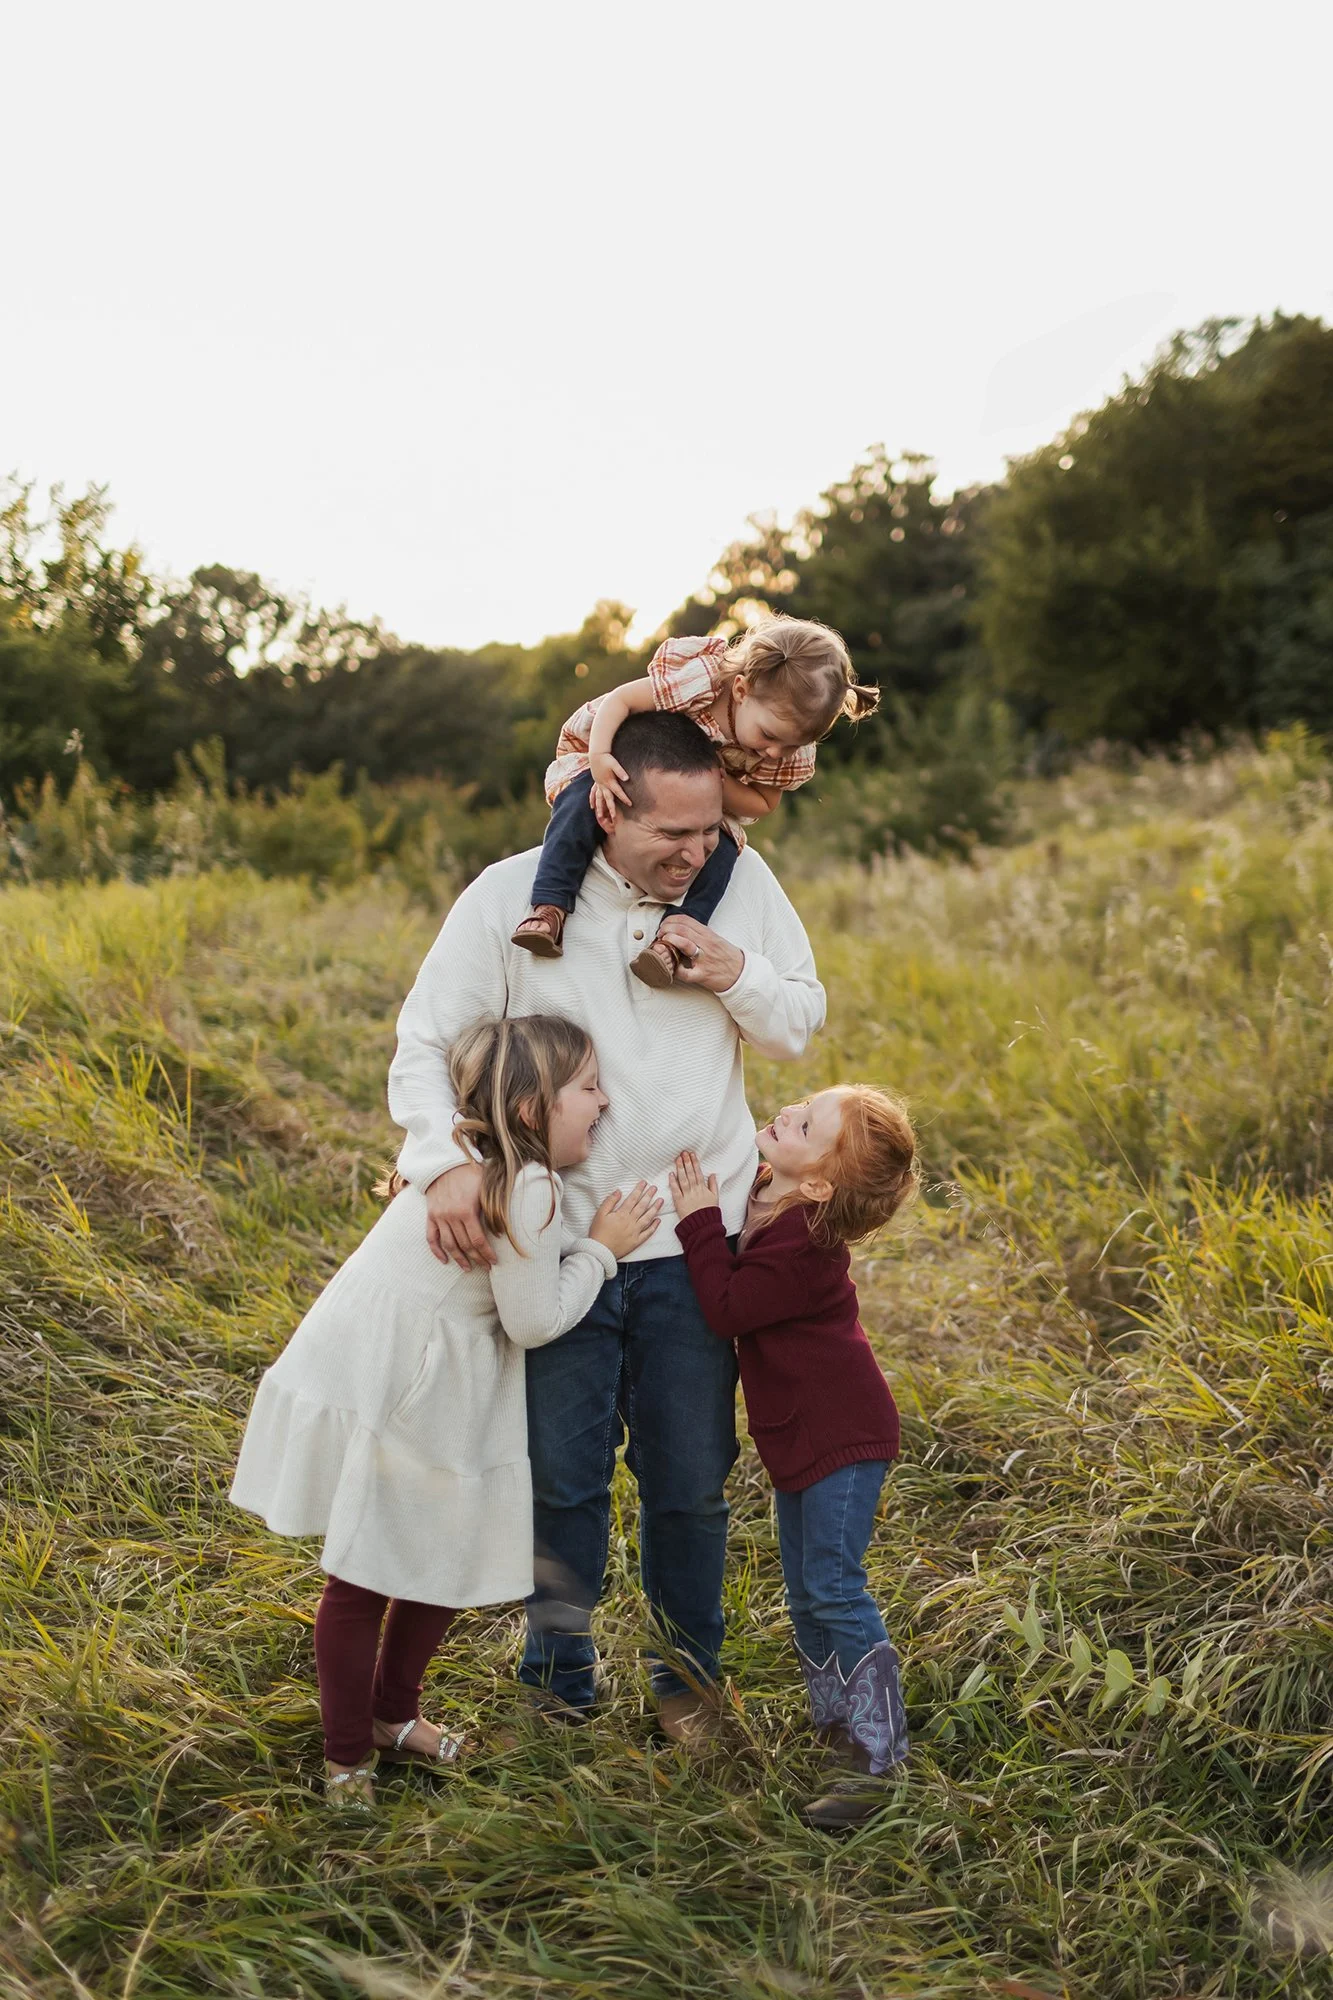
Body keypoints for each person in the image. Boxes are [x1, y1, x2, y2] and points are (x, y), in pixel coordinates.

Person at [388, 708, 825, 1744]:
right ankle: (557, 1682)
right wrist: (444, 1162)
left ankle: (685, 1682)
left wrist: (733, 967)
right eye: (670, 834)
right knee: (564, 1482)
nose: (696, 852)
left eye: (709, 828)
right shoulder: (511, 896)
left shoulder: (740, 885)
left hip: (693, 1240)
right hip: (553, 1248)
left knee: (687, 1481)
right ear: (605, 800)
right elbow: (424, 1042)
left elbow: (799, 1021)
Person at [230, 1015, 662, 1807]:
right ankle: (345, 1758)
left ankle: (394, 1718)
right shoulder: (525, 1185)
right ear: (533, 1110)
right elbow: (534, 1320)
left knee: (434, 1559)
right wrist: (602, 1247)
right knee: (363, 1577)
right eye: (589, 1087)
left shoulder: (466, 1161)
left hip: (414, 1377)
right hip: (408, 1389)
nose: (604, 1102)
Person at [668, 1082, 917, 1830]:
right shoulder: (781, 1202)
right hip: (802, 1440)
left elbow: (728, 1307)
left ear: (817, 1184)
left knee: (834, 1588)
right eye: (800, 1104)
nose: (784, 1114)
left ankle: (880, 1760)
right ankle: (837, 1727)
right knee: (808, 1592)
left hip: (840, 1438)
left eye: (804, 1124)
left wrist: (697, 1222)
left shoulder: (805, 1244)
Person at [511, 617, 878, 987]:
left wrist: (720, 786)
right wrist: (601, 758)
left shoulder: (783, 751)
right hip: (632, 761)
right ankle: (550, 908)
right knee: (582, 801)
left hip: (705, 808)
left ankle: (675, 941)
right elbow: (622, 701)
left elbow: (765, 803)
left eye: (792, 745)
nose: (774, 753)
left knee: (722, 855)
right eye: (769, 736)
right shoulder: (700, 684)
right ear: (740, 689)